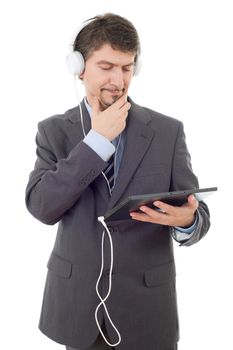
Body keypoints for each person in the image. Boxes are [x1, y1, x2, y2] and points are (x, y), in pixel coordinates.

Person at [25, 13, 210, 350]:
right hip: (79, 309)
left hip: (148, 310)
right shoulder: (53, 131)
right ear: (79, 67)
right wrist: (95, 142)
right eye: (106, 66)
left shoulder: (168, 132)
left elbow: (197, 212)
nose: (118, 79)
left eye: (126, 68)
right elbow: (42, 206)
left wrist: (188, 221)